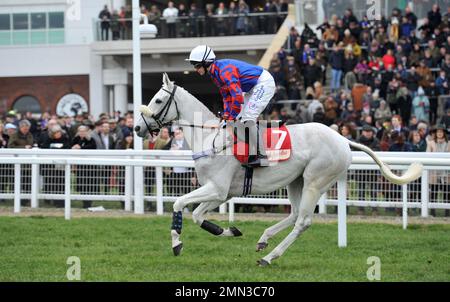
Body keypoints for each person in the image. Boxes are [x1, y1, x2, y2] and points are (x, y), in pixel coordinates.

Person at [186, 45, 276, 167]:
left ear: (206, 62)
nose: (196, 69)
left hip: (263, 83)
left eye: (197, 65)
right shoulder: (215, 73)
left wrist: (231, 115)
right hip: (251, 87)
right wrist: (227, 115)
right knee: (236, 118)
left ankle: (263, 156)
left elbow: (237, 96)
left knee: (248, 118)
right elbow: (227, 97)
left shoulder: (224, 71)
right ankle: (250, 150)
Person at [426, 125, 450, 217]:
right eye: (438, 132)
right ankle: (432, 212)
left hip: (446, 172)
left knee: (447, 193)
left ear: (444, 133)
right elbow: (427, 155)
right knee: (434, 192)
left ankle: (447, 212)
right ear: (436, 133)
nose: (439, 133)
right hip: (434, 172)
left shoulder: (449, 143)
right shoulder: (431, 143)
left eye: (441, 132)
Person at [71, 125, 97, 208]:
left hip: (89, 167)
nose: (82, 133)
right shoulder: (75, 139)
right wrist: (74, 147)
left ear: (86, 132)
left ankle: (88, 202)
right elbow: (70, 146)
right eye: (80, 131)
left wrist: (80, 148)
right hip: (79, 166)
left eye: (83, 131)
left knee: (89, 184)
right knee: (81, 184)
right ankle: (84, 202)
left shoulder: (91, 139)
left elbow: (92, 147)